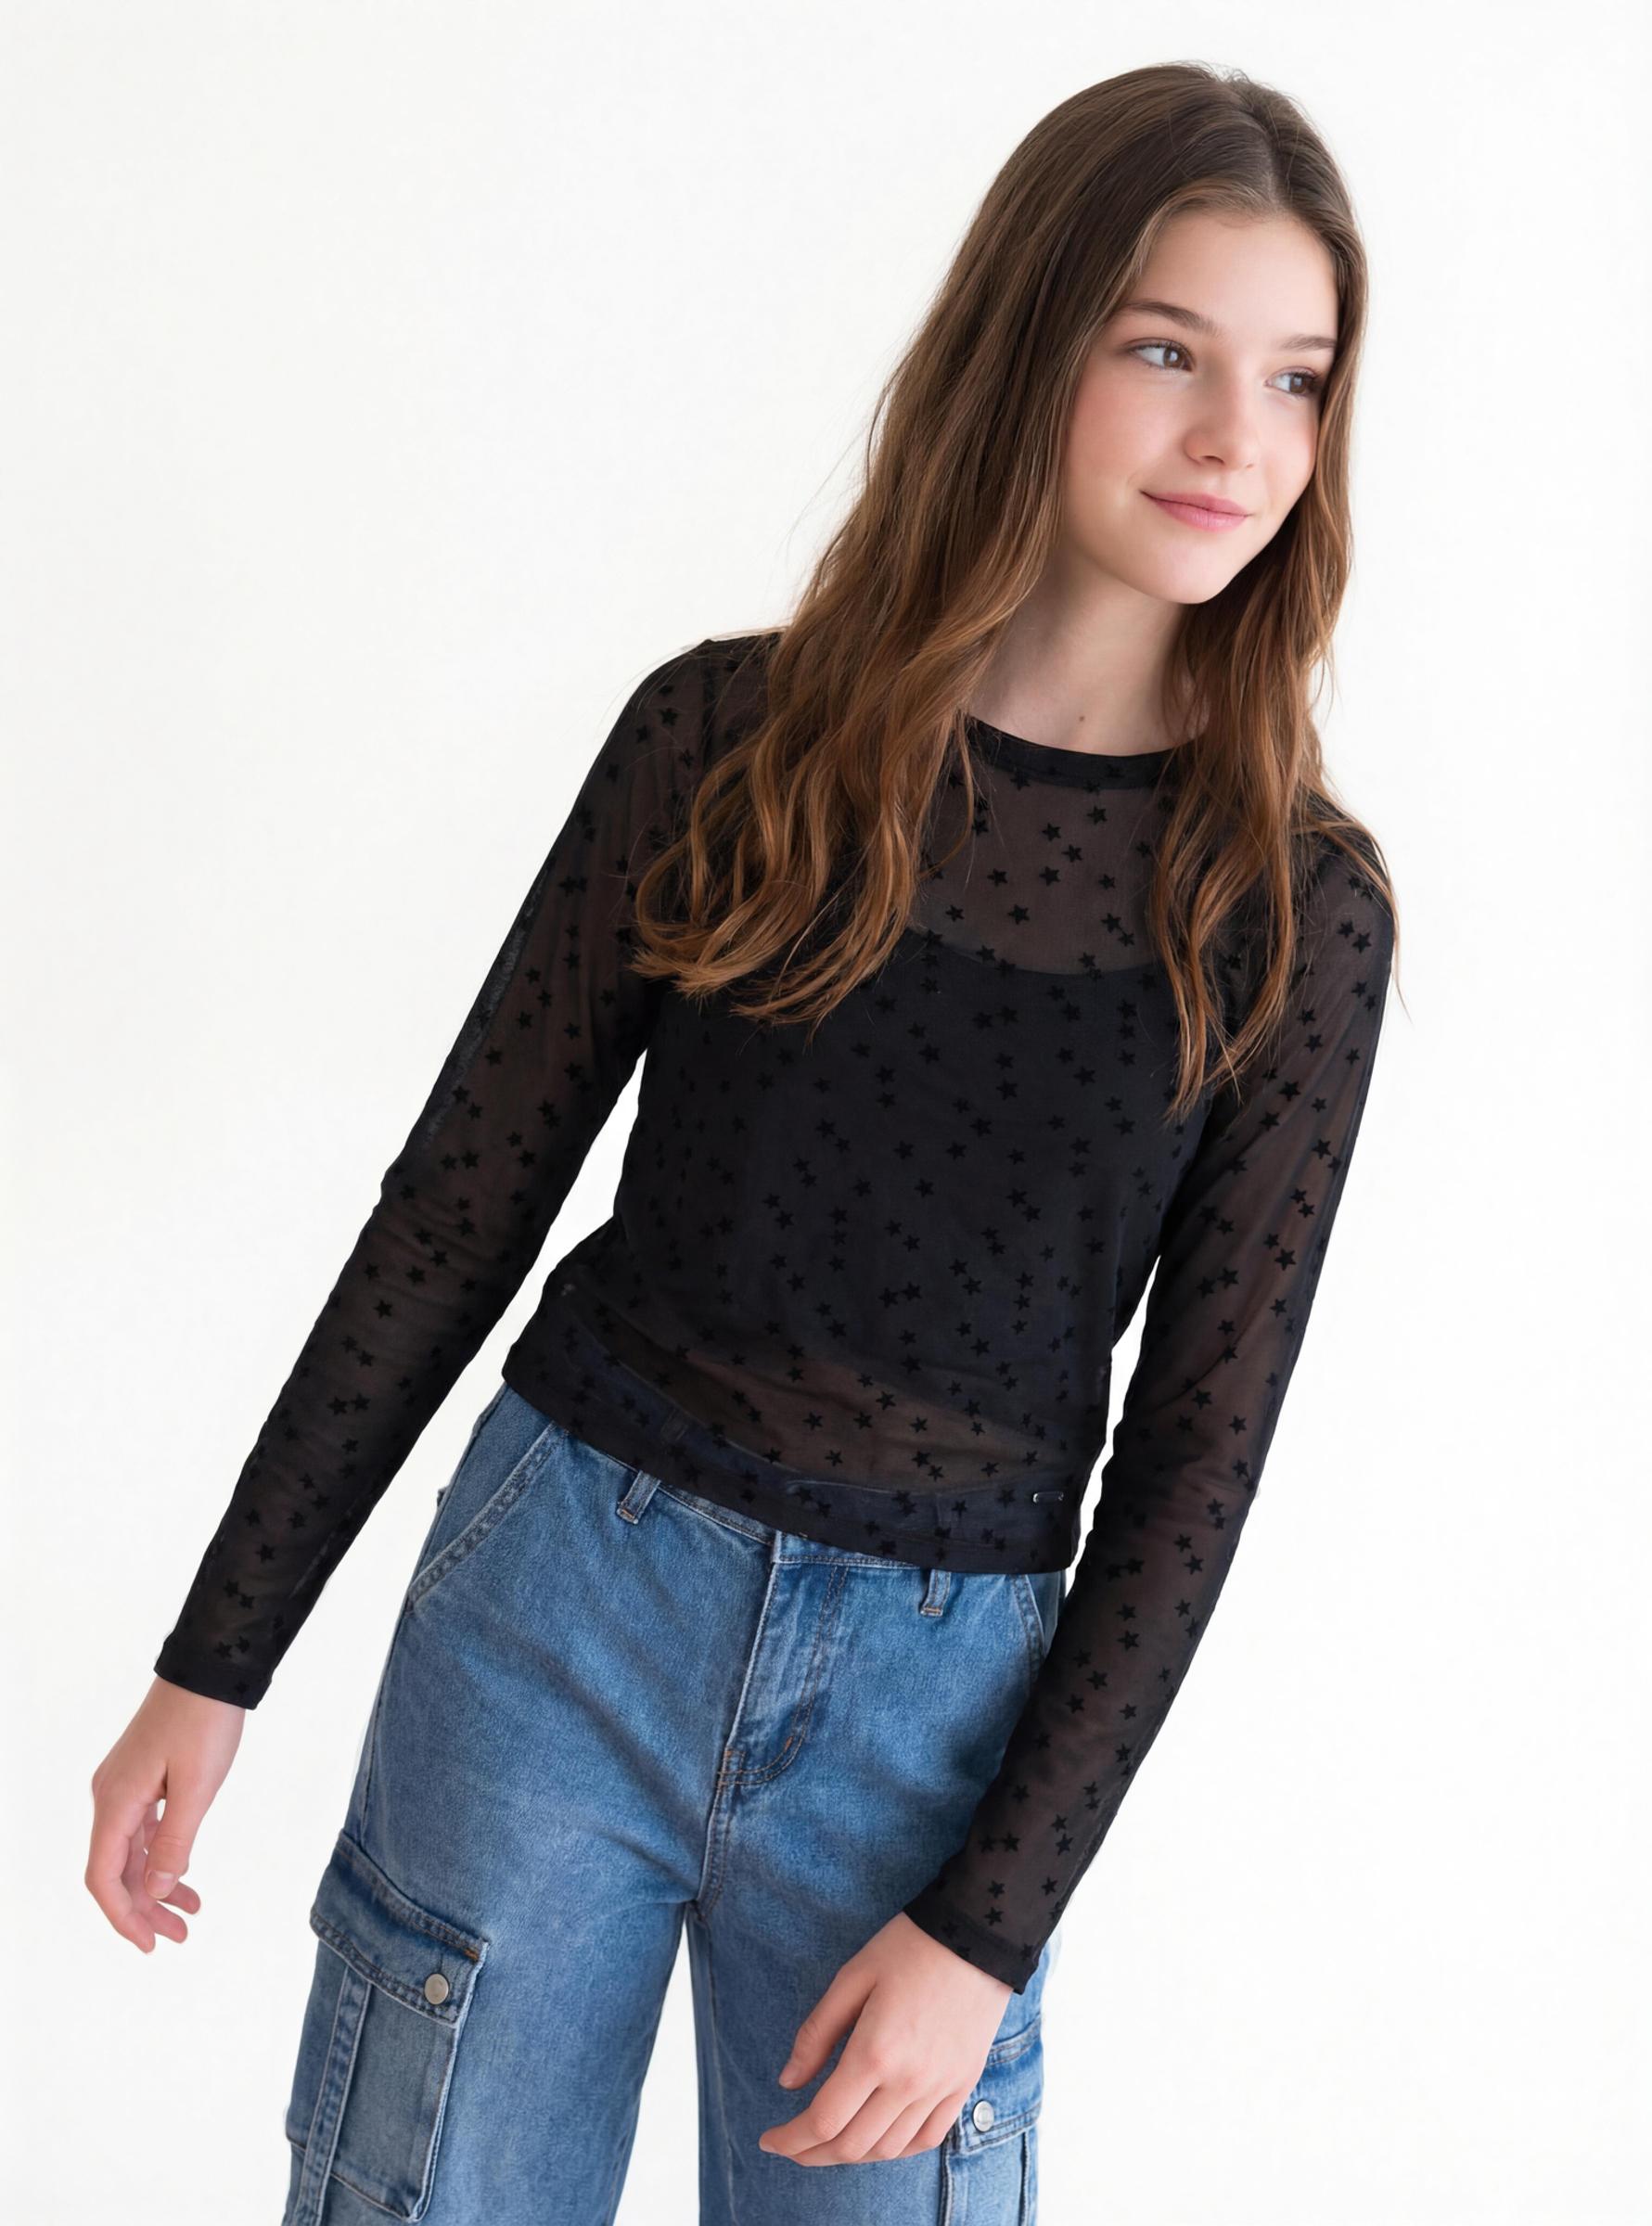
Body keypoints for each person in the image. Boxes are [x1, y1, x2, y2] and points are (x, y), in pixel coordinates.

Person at [86, 60, 1402, 2226]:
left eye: (1298, 378)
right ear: (1028, 345)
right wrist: (216, 1658)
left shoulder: (1289, 910)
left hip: (938, 1740)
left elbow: (1196, 1461)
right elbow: (457, 1210)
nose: (1236, 440)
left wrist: (986, 1927)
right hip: (557, 1622)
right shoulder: (730, 740)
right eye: (1166, 350)